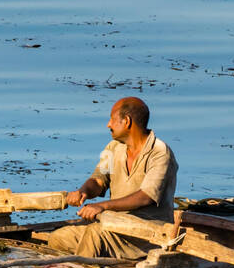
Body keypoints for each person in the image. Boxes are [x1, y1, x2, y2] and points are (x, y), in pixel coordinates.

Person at [44, 97, 178, 259]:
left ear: (127, 121)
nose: (108, 124)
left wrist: (102, 206)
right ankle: (91, 263)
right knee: (58, 239)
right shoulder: (113, 147)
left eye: (112, 120)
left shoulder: (160, 153)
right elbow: (99, 180)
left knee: (95, 234)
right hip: (114, 227)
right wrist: (83, 191)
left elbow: (146, 197)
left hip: (147, 236)